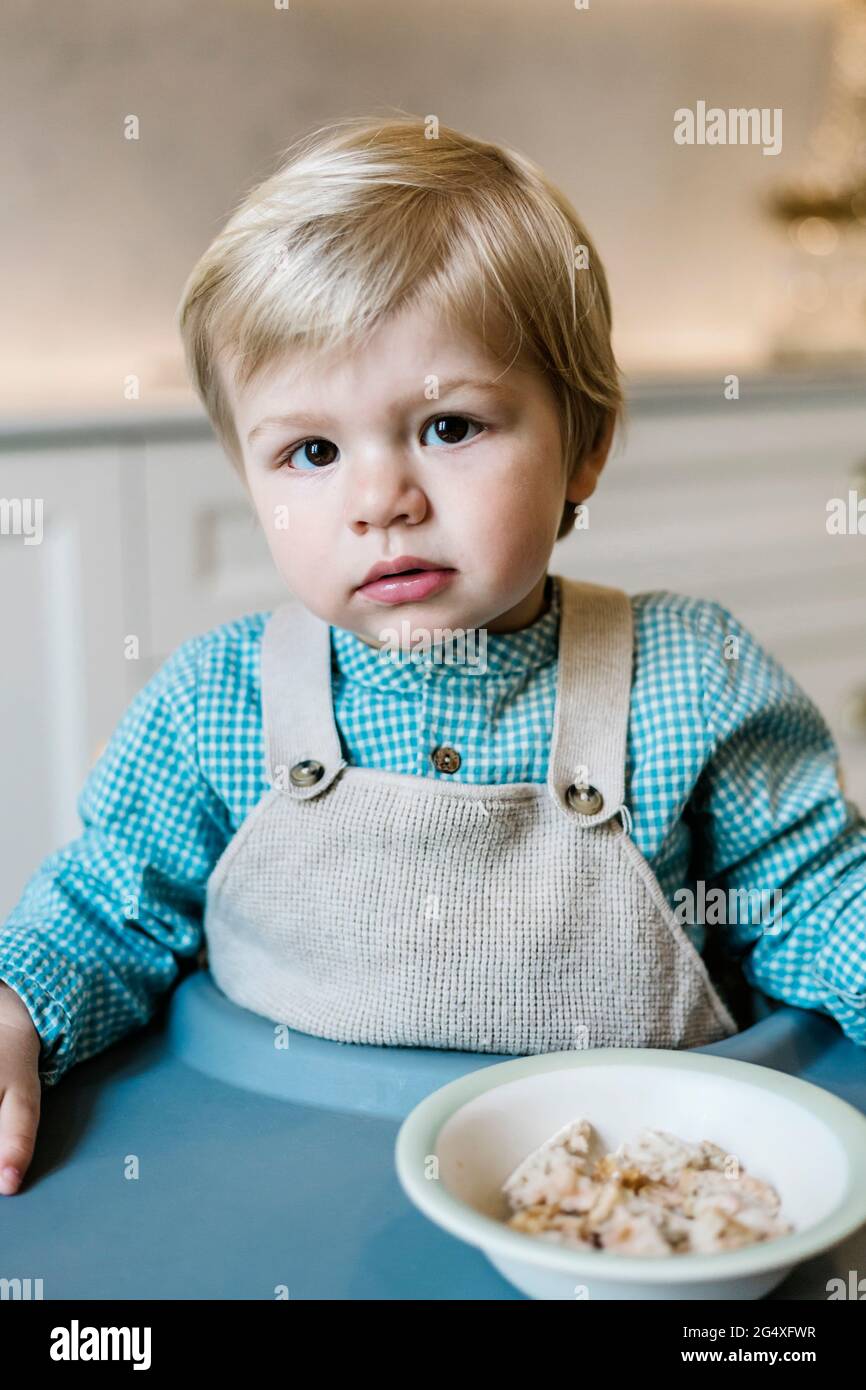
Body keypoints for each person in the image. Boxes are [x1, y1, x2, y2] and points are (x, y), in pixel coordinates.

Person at [2, 113, 864, 1199]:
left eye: (449, 426)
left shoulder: (686, 679)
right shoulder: (212, 704)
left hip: (617, 1212)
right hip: (285, 1193)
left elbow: (813, 896)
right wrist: (18, 1004)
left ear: (584, 445)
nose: (381, 501)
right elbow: (105, 907)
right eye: (310, 451)